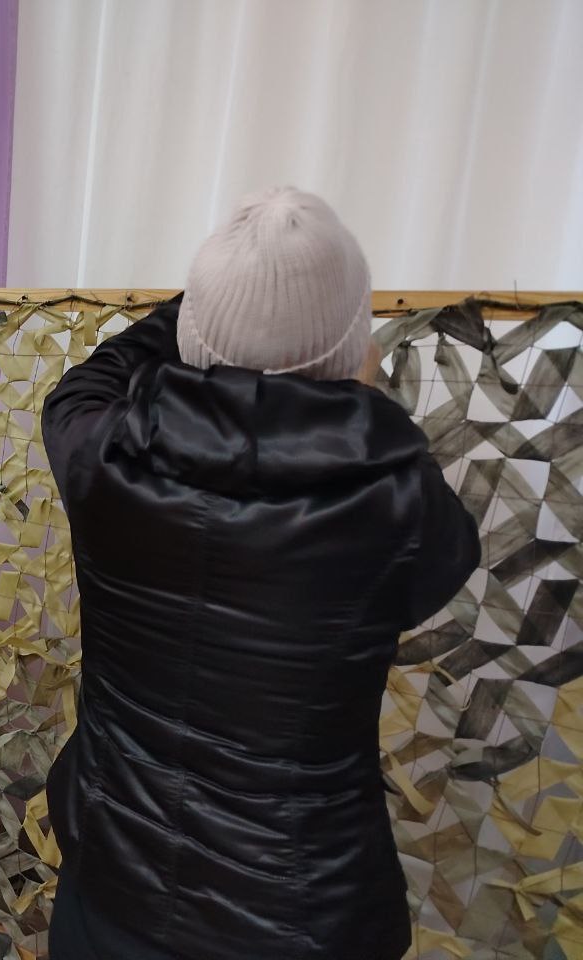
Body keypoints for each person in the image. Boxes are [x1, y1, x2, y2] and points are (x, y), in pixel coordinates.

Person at [41, 188, 480, 960]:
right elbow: (443, 568)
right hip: (300, 916)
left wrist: (220, 302)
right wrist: (340, 369)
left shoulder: (101, 454)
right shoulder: (399, 502)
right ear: (353, 350)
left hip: (111, 882)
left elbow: (88, 379)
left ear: (192, 334)